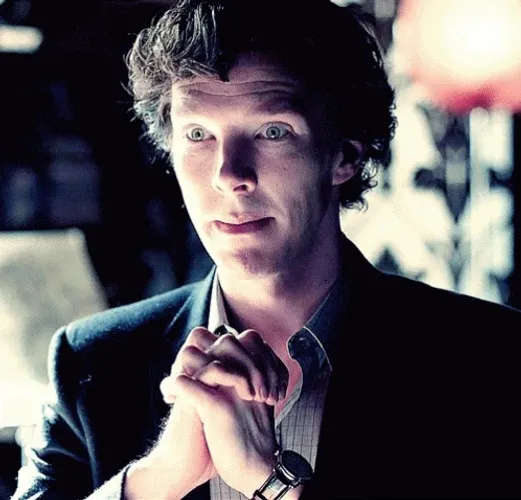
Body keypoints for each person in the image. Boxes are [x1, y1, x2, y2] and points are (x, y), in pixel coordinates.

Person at [13, 0, 521, 498]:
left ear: (344, 156)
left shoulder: (491, 359)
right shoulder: (91, 363)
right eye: (198, 134)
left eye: (272, 131)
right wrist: (157, 480)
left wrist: (272, 485)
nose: (229, 174)